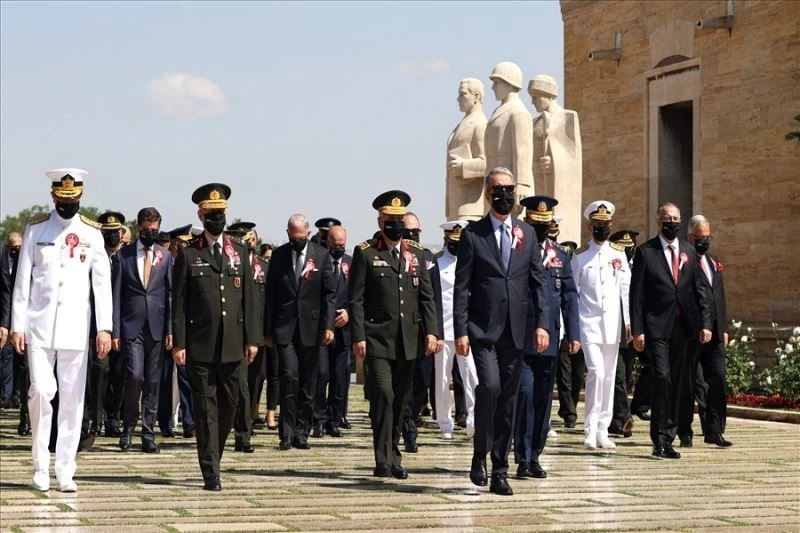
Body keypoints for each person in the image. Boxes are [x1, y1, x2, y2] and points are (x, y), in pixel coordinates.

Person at [11, 168, 112, 492]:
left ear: (80, 197)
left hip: (75, 327)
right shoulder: (36, 229)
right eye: (62, 199)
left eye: (73, 199)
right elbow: (23, 280)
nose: (67, 204)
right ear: (53, 196)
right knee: (41, 392)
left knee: (72, 400)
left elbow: (102, 284)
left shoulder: (91, 233)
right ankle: (40, 465)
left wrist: (104, 328)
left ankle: (65, 468)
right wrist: (17, 325)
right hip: (39, 326)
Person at [453, 167, 549, 496]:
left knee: (509, 400)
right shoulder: (473, 234)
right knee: (490, 388)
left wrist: (542, 324)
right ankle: (479, 453)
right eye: (498, 189)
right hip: (483, 330)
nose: (505, 195)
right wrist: (461, 330)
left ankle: (499, 469)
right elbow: (462, 287)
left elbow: (538, 282)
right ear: (487, 193)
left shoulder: (527, 233)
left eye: (510, 189)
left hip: (516, 331)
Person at [171, 183, 261, 491]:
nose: (217, 219)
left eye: (220, 213)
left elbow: (250, 299)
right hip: (200, 344)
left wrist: (252, 339)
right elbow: (179, 302)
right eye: (211, 214)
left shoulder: (240, 251)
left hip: (234, 344)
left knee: (230, 404)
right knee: (205, 408)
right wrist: (179, 342)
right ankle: (210, 470)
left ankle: (214, 454)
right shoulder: (189, 253)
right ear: (201, 215)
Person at [349, 190, 439, 479]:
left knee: (400, 399)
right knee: (383, 396)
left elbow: (427, 298)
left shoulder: (415, 253)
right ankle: (382, 458)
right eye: (390, 220)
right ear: (380, 222)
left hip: (408, 340)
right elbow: (356, 299)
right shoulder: (366, 252)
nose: (396, 225)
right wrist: (358, 336)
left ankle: (394, 455)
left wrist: (432, 332)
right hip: (377, 339)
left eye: (400, 220)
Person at [630, 202, 711, 459]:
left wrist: (705, 323)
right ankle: (660, 438)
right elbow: (636, 295)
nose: (672, 223)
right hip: (656, 326)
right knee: (662, 377)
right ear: (659, 222)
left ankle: (670, 434)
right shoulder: (646, 252)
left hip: (683, 327)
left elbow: (699, 290)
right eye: (668, 219)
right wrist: (637, 330)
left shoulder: (689, 251)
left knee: (678, 381)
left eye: (676, 219)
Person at [514, 196, 579, 478]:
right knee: (525, 394)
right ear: (526, 222)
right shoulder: (516, 250)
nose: (541, 228)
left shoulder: (560, 256)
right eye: (536, 223)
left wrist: (574, 333)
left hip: (550, 338)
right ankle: (521, 455)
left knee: (543, 397)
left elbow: (569, 296)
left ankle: (535, 455)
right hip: (521, 336)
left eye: (546, 223)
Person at [264, 214, 336, 451]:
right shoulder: (279, 255)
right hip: (284, 328)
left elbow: (329, 294)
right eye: (293, 238)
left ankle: (302, 431)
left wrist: (328, 325)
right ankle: (285, 433)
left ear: (308, 233)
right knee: (289, 377)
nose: (297, 242)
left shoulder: (321, 255)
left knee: (308, 381)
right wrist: (267, 330)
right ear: (288, 234)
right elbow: (270, 294)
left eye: (301, 237)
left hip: (311, 328)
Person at [113, 207, 173, 454]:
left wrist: (170, 329)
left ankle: (148, 433)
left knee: (153, 381)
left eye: (155, 230)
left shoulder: (165, 256)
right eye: (147, 229)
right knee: (135, 376)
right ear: (139, 227)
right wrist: (115, 331)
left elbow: (169, 295)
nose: (151, 233)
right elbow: (116, 296)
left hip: (157, 326)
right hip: (131, 325)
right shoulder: (124, 256)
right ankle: (128, 427)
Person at [572, 201, 631, 450]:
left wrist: (629, 322)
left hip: (612, 324)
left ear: (611, 225)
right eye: (597, 224)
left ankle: (603, 430)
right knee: (595, 372)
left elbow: (625, 290)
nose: (602, 228)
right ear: (590, 226)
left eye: (605, 224)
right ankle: (590, 428)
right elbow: (573, 294)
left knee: (608, 376)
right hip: (589, 324)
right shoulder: (580, 256)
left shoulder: (618, 254)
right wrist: (572, 329)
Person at [686, 215, 732, 447]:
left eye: (707, 237)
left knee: (718, 379)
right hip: (692, 333)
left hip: (715, 333)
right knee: (691, 383)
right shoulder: (684, 261)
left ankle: (714, 430)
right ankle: (684, 431)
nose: (704, 241)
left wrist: (724, 327)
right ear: (690, 237)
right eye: (700, 237)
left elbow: (719, 297)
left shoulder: (714, 261)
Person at [400, 211, 443, 453]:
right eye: (407, 231)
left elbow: (434, 299)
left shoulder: (428, 258)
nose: (411, 235)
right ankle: (407, 429)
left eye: (415, 231)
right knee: (403, 384)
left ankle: (413, 418)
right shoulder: (391, 255)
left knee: (421, 382)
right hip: (400, 331)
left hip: (423, 331)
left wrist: (436, 332)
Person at [433, 220, 478, 441]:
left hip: (466, 331)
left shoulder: (472, 262)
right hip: (443, 330)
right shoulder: (436, 263)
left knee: (471, 377)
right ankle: (444, 423)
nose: (456, 246)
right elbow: (433, 300)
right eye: (453, 241)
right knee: (442, 379)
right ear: (446, 239)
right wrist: (435, 332)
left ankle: (474, 421)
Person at [312, 225, 351, 438]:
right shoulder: (318, 262)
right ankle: (318, 419)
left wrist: (349, 313)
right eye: (335, 245)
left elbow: (359, 294)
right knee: (322, 374)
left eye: (342, 245)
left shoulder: (352, 263)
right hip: (322, 329)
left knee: (339, 377)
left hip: (343, 329)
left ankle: (334, 420)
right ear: (328, 243)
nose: (338, 248)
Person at [226, 221, 261, 451]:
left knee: (242, 387)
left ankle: (243, 435)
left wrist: (253, 338)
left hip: (242, 334)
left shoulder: (258, 266)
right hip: (221, 332)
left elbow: (253, 305)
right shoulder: (224, 260)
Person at [158, 224, 195, 439]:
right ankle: (165, 422)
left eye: (186, 244)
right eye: (180, 244)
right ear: (172, 244)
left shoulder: (191, 264)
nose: (183, 248)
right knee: (164, 377)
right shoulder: (163, 263)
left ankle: (189, 421)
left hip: (184, 328)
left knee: (186, 375)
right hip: (163, 327)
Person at [446, 77, 488, 221]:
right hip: (457, 204)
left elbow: (487, 163)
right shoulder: (464, 122)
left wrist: (463, 166)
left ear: (476, 96)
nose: (458, 99)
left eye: (463, 94)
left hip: (471, 207)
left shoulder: (480, 124)